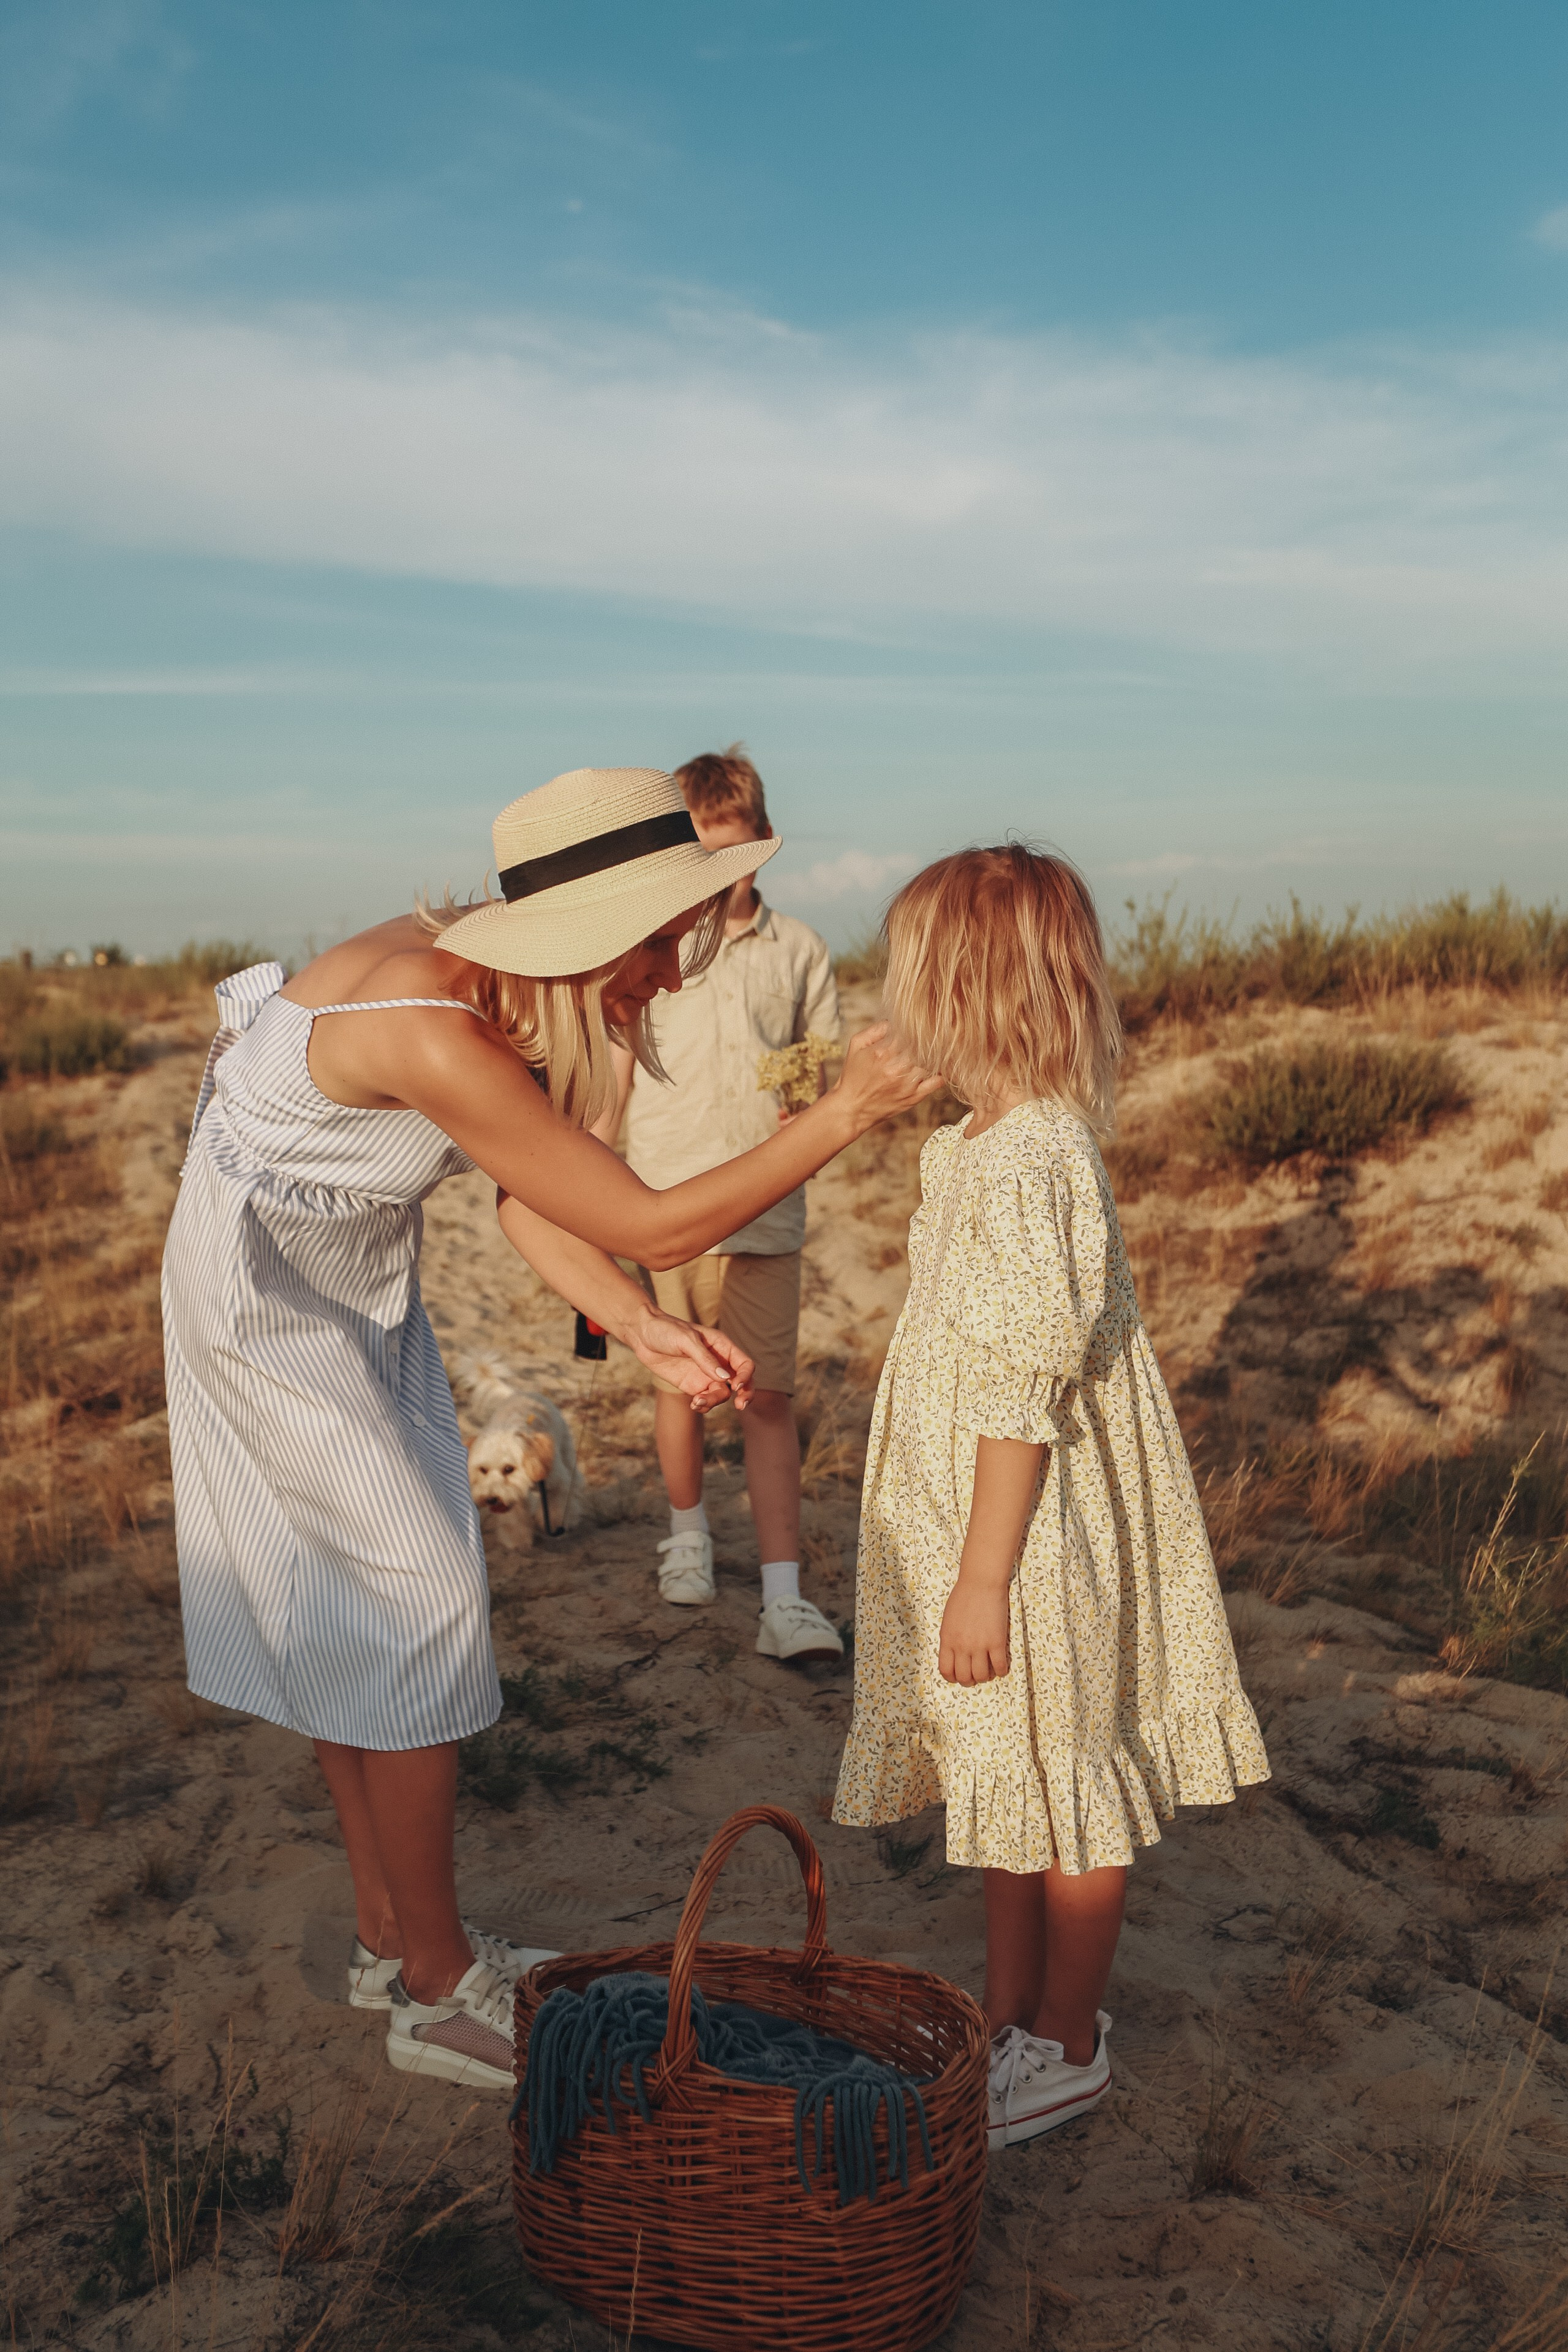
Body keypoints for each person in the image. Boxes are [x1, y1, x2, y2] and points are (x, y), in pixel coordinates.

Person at [162, 766, 935, 2097]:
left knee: (364, 1618)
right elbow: (644, 1220)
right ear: (590, 935)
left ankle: (390, 1940)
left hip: (329, 1283)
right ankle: (435, 1990)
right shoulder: (433, 1027)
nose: (671, 970)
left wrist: (637, 1331)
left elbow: (530, 1203)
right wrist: (847, 1111)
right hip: (269, 1306)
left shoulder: (493, 993)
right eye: (656, 940)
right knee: (412, 1606)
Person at [831, 844, 1269, 2152]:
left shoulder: (1034, 1156)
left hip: (1022, 1524)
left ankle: (1067, 2042)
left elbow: (1022, 1377)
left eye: (906, 983)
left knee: (1065, 1771)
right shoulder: (966, 1146)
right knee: (1003, 1768)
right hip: (976, 1502)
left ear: (959, 996)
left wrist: (976, 1574)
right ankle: (1008, 2009)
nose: (888, 1007)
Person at [592, 747, 845, 1664]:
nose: (721, 870)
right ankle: (688, 1537)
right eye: (701, 850)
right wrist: (591, 1174)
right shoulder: (654, 947)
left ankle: (783, 1599)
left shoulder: (803, 950)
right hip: (660, 1197)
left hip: (768, 1212)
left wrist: (808, 1097)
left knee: (767, 1396)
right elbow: (616, 1072)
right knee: (678, 1386)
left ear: (765, 843)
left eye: (734, 849)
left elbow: (821, 1061)